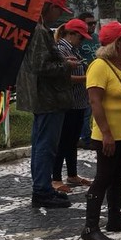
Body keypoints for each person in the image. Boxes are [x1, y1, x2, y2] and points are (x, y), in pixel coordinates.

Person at [16, 0, 79, 208]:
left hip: (45, 97)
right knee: (45, 146)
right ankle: (41, 190)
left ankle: (42, 188)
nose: (59, 16)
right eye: (59, 11)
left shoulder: (36, 29)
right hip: (48, 98)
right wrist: (66, 65)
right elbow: (41, 66)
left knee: (42, 145)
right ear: (50, 7)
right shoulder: (39, 31)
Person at [81, 22, 121, 240]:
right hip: (108, 134)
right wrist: (106, 133)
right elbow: (95, 102)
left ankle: (114, 218)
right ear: (117, 44)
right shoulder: (99, 66)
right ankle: (90, 226)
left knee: (118, 177)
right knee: (103, 178)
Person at [51, 18, 92, 193]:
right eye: (80, 37)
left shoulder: (74, 49)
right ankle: (56, 178)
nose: (81, 41)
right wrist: (87, 78)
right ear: (70, 34)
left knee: (72, 141)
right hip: (68, 103)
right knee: (63, 141)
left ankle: (72, 174)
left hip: (79, 102)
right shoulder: (60, 49)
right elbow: (62, 78)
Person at [75, 11, 99, 147]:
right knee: (86, 110)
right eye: (90, 23)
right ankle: (85, 137)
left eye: (94, 23)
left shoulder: (96, 38)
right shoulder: (79, 39)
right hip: (84, 78)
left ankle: (90, 134)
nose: (93, 26)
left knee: (93, 110)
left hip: (96, 78)